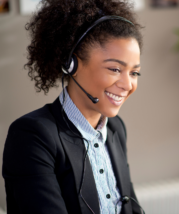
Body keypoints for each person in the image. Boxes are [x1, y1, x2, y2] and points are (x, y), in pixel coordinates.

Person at [2, 0, 143, 213]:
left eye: (134, 73)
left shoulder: (115, 128)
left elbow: (130, 206)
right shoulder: (33, 136)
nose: (127, 84)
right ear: (72, 65)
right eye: (114, 69)